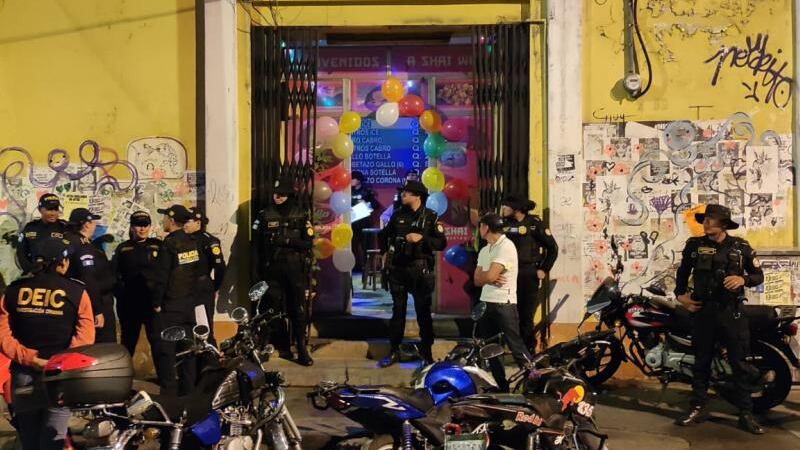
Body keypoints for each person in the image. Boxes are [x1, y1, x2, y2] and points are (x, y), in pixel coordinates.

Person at [673, 204, 765, 434]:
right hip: (703, 312)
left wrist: (742, 280)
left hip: (731, 313)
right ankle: (697, 407)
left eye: (711, 219)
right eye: (705, 219)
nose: (706, 223)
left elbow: (758, 275)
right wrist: (681, 297)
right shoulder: (694, 246)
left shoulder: (740, 247)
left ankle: (746, 413)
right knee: (701, 362)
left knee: (739, 363)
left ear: (723, 224)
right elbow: (682, 274)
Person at [0, 237, 95, 450]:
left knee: (29, 436)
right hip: (60, 376)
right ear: (61, 262)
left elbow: (3, 336)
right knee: (55, 435)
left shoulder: (13, 291)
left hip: (23, 373)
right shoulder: (77, 292)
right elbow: (85, 339)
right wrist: (58, 362)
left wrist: (30, 358)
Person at [378, 180, 447, 367]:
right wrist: (384, 253)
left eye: (407, 193)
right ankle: (394, 350)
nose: (403, 196)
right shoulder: (398, 215)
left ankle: (427, 351)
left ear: (417, 196)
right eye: (403, 193)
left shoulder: (431, 217)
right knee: (397, 311)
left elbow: (441, 243)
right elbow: (383, 235)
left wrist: (422, 238)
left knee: (422, 311)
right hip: (398, 268)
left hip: (420, 269)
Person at [252, 177, 314, 366]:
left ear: (289, 195)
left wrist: (287, 242)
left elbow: (308, 243)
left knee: (298, 310)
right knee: (271, 309)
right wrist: (256, 273)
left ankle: (302, 349)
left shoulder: (301, 214)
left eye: (282, 194)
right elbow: (255, 247)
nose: (277, 197)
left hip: (295, 269)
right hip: (273, 269)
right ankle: (269, 346)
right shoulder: (264, 215)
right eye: (275, 194)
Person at [474, 212, 532, 391]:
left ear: (486, 228)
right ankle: (502, 386)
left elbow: (489, 275)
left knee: (515, 345)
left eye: (481, 226)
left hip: (503, 303)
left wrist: (488, 276)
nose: (479, 230)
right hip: (486, 302)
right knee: (490, 348)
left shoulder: (506, 246)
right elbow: (477, 279)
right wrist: (489, 277)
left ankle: (534, 380)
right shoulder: (485, 249)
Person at [151, 204, 203, 395]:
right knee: (188, 351)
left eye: (164, 217)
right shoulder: (192, 242)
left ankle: (169, 395)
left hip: (171, 307)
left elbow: (162, 277)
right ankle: (189, 393)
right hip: (187, 306)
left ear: (172, 220)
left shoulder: (169, 244)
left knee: (167, 353)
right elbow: (197, 273)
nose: (163, 221)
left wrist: (156, 303)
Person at [500, 195, 559, 351]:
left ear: (517, 209)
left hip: (527, 274)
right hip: (507, 274)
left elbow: (553, 249)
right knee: (509, 314)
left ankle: (528, 350)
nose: (503, 209)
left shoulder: (535, 224)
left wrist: (543, 269)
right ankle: (512, 348)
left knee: (526, 315)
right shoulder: (504, 225)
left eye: (506, 206)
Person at [112, 211, 162, 357]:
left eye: (145, 225)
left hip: (153, 304)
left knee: (158, 342)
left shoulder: (158, 245)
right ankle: (124, 377)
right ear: (132, 227)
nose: (142, 229)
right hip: (130, 305)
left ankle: (165, 379)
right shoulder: (123, 248)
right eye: (138, 225)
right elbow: (113, 274)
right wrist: (121, 294)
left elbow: (166, 272)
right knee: (128, 343)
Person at [65, 208, 117, 344]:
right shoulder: (82, 245)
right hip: (93, 302)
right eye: (94, 222)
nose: (95, 226)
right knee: (104, 347)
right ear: (87, 224)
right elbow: (87, 278)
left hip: (76, 301)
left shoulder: (67, 240)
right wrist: (97, 310)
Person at [186, 207, 226, 343]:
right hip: (184, 288)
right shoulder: (182, 239)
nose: (185, 224)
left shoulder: (208, 240)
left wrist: (215, 286)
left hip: (201, 287)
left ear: (198, 223)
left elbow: (220, 267)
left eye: (188, 221)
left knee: (205, 327)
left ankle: (210, 360)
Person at [16, 193, 69, 273]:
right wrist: (30, 270)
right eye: (49, 209)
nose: (53, 213)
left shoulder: (65, 228)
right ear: (40, 210)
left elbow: (72, 251)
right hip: (34, 276)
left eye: (56, 209)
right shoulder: (30, 227)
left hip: (59, 275)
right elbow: (21, 252)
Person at [351, 171, 378, 272]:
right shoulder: (348, 191)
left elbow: (375, 205)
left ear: (358, 180)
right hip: (352, 223)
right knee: (352, 246)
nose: (351, 181)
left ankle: (366, 267)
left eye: (352, 178)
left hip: (364, 223)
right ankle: (354, 266)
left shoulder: (367, 191)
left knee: (365, 246)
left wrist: (366, 203)